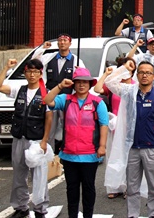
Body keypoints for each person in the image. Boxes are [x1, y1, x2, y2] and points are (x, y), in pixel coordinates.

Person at [104, 61, 154, 218]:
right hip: (132, 147)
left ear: (153, 76)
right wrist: (125, 68)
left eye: (148, 73)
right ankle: (133, 215)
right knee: (132, 187)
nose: (144, 75)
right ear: (137, 75)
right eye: (141, 72)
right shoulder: (129, 92)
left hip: (153, 148)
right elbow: (109, 82)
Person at [43, 67, 109, 218]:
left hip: (90, 154)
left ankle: (88, 215)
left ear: (90, 84)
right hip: (69, 155)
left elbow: (104, 125)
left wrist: (102, 146)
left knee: (88, 188)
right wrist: (60, 86)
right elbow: (47, 100)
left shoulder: (98, 103)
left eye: (85, 82)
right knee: (71, 189)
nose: (81, 85)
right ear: (73, 84)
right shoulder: (65, 100)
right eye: (78, 82)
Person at [0, 59, 53, 218]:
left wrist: (45, 140)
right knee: (19, 175)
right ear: (25, 73)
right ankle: (21, 207)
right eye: (29, 71)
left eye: (35, 72)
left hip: (36, 140)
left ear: (41, 74)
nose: (32, 75)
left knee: (39, 177)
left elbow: (49, 118)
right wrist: (6, 67)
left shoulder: (46, 92)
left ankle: (40, 209)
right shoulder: (20, 89)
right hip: (19, 138)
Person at [32, 34, 85, 150]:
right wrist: (42, 48)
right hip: (51, 97)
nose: (62, 43)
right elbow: (35, 61)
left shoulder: (77, 60)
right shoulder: (50, 57)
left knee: (68, 126)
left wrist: (79, 72)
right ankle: (49, 152)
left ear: (70, 43)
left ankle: (68, 149)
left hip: (68, 98)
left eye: (65, 40)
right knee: (50, 126)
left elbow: (84, 79)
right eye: (60, 41)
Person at [94, 57, 137, 199]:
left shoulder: (135, 86)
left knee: (128, 157)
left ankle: (127, 187)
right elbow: (97, 88)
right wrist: (107, 74)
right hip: (114, 126)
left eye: (129, 69)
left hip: (129, 127)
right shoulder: (114, 86)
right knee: (113, 155)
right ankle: (114, 186)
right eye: (124, 68)